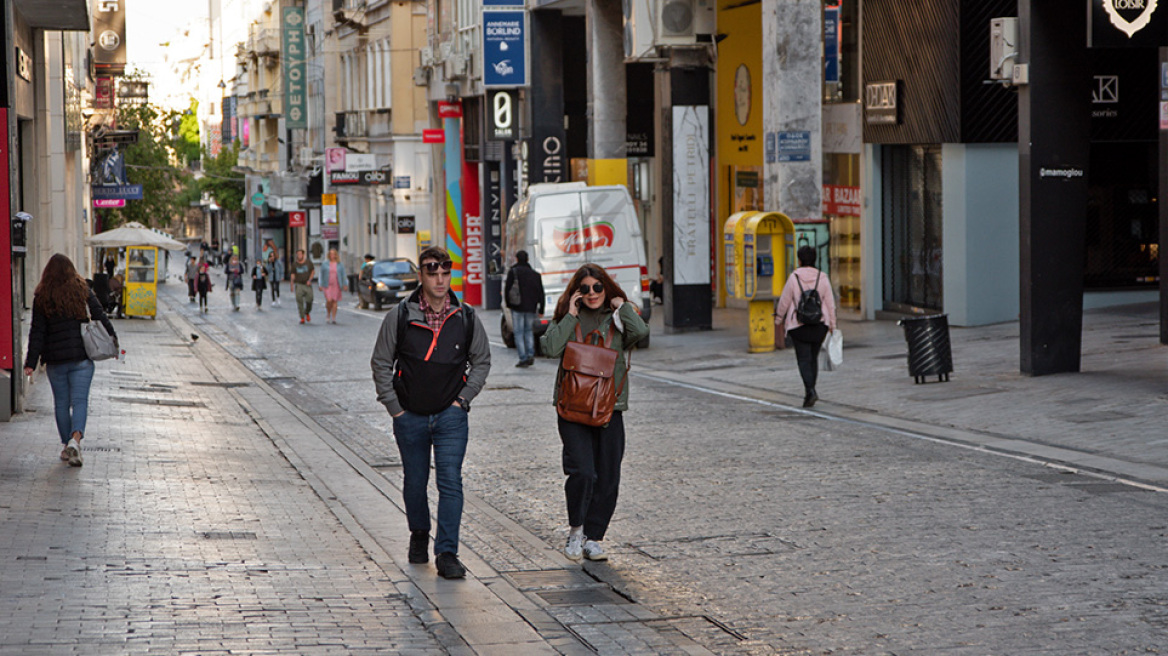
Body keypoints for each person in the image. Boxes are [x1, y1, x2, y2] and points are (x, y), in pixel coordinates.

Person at [370, 247, 492, 579]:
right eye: (431, 272)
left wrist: (463, 400)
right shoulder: (400, 316)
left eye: (444, 273)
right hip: (409, 415)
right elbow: (381, 363)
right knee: (415, 481)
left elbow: (482, 361)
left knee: (450, 481)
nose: (439, 279)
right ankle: (419, 533)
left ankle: (447, 552)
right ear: (421, 276)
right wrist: (395, 408)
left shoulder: (465, 317)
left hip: (451, 415)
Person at [540, 265, 649, 563]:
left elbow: (641, 333)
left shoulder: (618, 318)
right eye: (585, 288)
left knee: (609, 475)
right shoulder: (567, 316)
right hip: (571, 408)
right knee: (583, 472)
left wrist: (622, 306)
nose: (592, 294)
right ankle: (576, 530)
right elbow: (549, 347)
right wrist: (570, 314)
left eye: (597, 288)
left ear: (606, 288)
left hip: (609, 408)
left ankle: (594, 537)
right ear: (577, 291)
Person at [23, 254, 118, 467]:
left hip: (56, 361)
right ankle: (75, 440)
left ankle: (67, 446)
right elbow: (100, 315)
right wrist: (113, 340)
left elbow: (37, 331)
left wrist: (30, 361)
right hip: (81, 358)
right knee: (80, 401)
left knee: (61, 404)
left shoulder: (42, 295)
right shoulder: (82, 290)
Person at [774, 245, 838, 408]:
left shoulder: (794, 277)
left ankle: (810, 390)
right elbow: (830, 303)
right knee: (813, 358)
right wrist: (832, 324)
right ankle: (811, 390)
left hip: (798, 325)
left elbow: (784, 301)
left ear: (800, 260)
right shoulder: (823, 277)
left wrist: (778, 319)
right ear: (815, 259)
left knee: (803, 359)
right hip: (819, 325)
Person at [503, 249, 545, 367]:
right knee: (528, 332)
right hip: (531, 308)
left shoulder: (514, 272)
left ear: (516, 259)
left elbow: (508, 289)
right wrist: (541, 309)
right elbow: (541, 293)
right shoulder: (535, 275)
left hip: (517, 307)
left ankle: (523, 358)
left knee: (518, 333)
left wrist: (508, 304)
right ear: (527, 260)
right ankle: (530, 354)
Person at [319, 248, 347, 324]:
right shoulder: (325, 264)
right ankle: (328, 313)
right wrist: (320, 284)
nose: (332, 255)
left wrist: (345, 284)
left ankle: (333, 317)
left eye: (333, 254)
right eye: (331, 254)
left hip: (336, 284)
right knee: (329, 300)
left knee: (334, 301)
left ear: (336, 255)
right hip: (327, 284)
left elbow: (343, 275)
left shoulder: (340, 264)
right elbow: (321, 274)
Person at [291, 249, 316, 324]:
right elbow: (292, 275)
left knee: (310, 299)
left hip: (307, 284)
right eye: (297, 254)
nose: (299, 256)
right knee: (299, 300)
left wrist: (310, 280)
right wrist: (292, 284)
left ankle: (307, 312)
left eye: (300, 254)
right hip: (299, 284)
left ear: (303, 255)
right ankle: (302, 317)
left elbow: (312, 271)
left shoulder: (308, 263)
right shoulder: (294, 265)